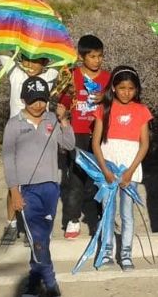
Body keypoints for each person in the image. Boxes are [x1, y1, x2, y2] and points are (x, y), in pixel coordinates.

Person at [3, 76, 75, 297]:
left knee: (42, 238)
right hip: (27, 190)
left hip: (51, 188)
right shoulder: (14, 125)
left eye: (42, 100)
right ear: (23, 99)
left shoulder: (52, 119)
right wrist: (14, 192)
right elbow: (8, 160)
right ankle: (51, 284)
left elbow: (69, 144)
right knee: (38, 239)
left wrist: (64, 121)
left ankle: (33, 283)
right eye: (33, 100)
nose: (38, 105)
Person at [91, 66, 152, 270]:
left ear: (136, 89)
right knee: (108, 210)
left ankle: (126, 254)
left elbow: (144, 144)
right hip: (107, 167)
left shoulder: (142, 111)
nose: (126, 92)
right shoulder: (104, 108)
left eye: (131, 88)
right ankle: (106, 251)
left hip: (130, 169)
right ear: (114, 88)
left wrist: (130, 171)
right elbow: (96, 143)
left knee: (127, 213)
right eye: (122, 87)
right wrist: (105, 170)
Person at [0, 52, 59, 245]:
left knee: (39, 185)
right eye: (26, 59)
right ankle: (12, 223)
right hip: (18, 136)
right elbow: (1, 50)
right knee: (14, 184)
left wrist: (54, 23)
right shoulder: (16, 73)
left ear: (45, 63)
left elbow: (63, 55)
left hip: (41, 138)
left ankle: (34, 228)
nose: (30, 64)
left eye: (36, 61)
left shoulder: (48, 76)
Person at [57, 35, 110, 238]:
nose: (97, 60)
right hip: (78, 132)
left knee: (100, 177)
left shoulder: (107, 78)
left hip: (100, 132)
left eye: (100, 56)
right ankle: (72, 219)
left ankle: (101, 216)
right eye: (93, 56)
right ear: (81, 56)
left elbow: (116, 101)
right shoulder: (72, 76)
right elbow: (63, 101)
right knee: (77, 177)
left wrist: (105, 97)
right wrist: (62, 114)